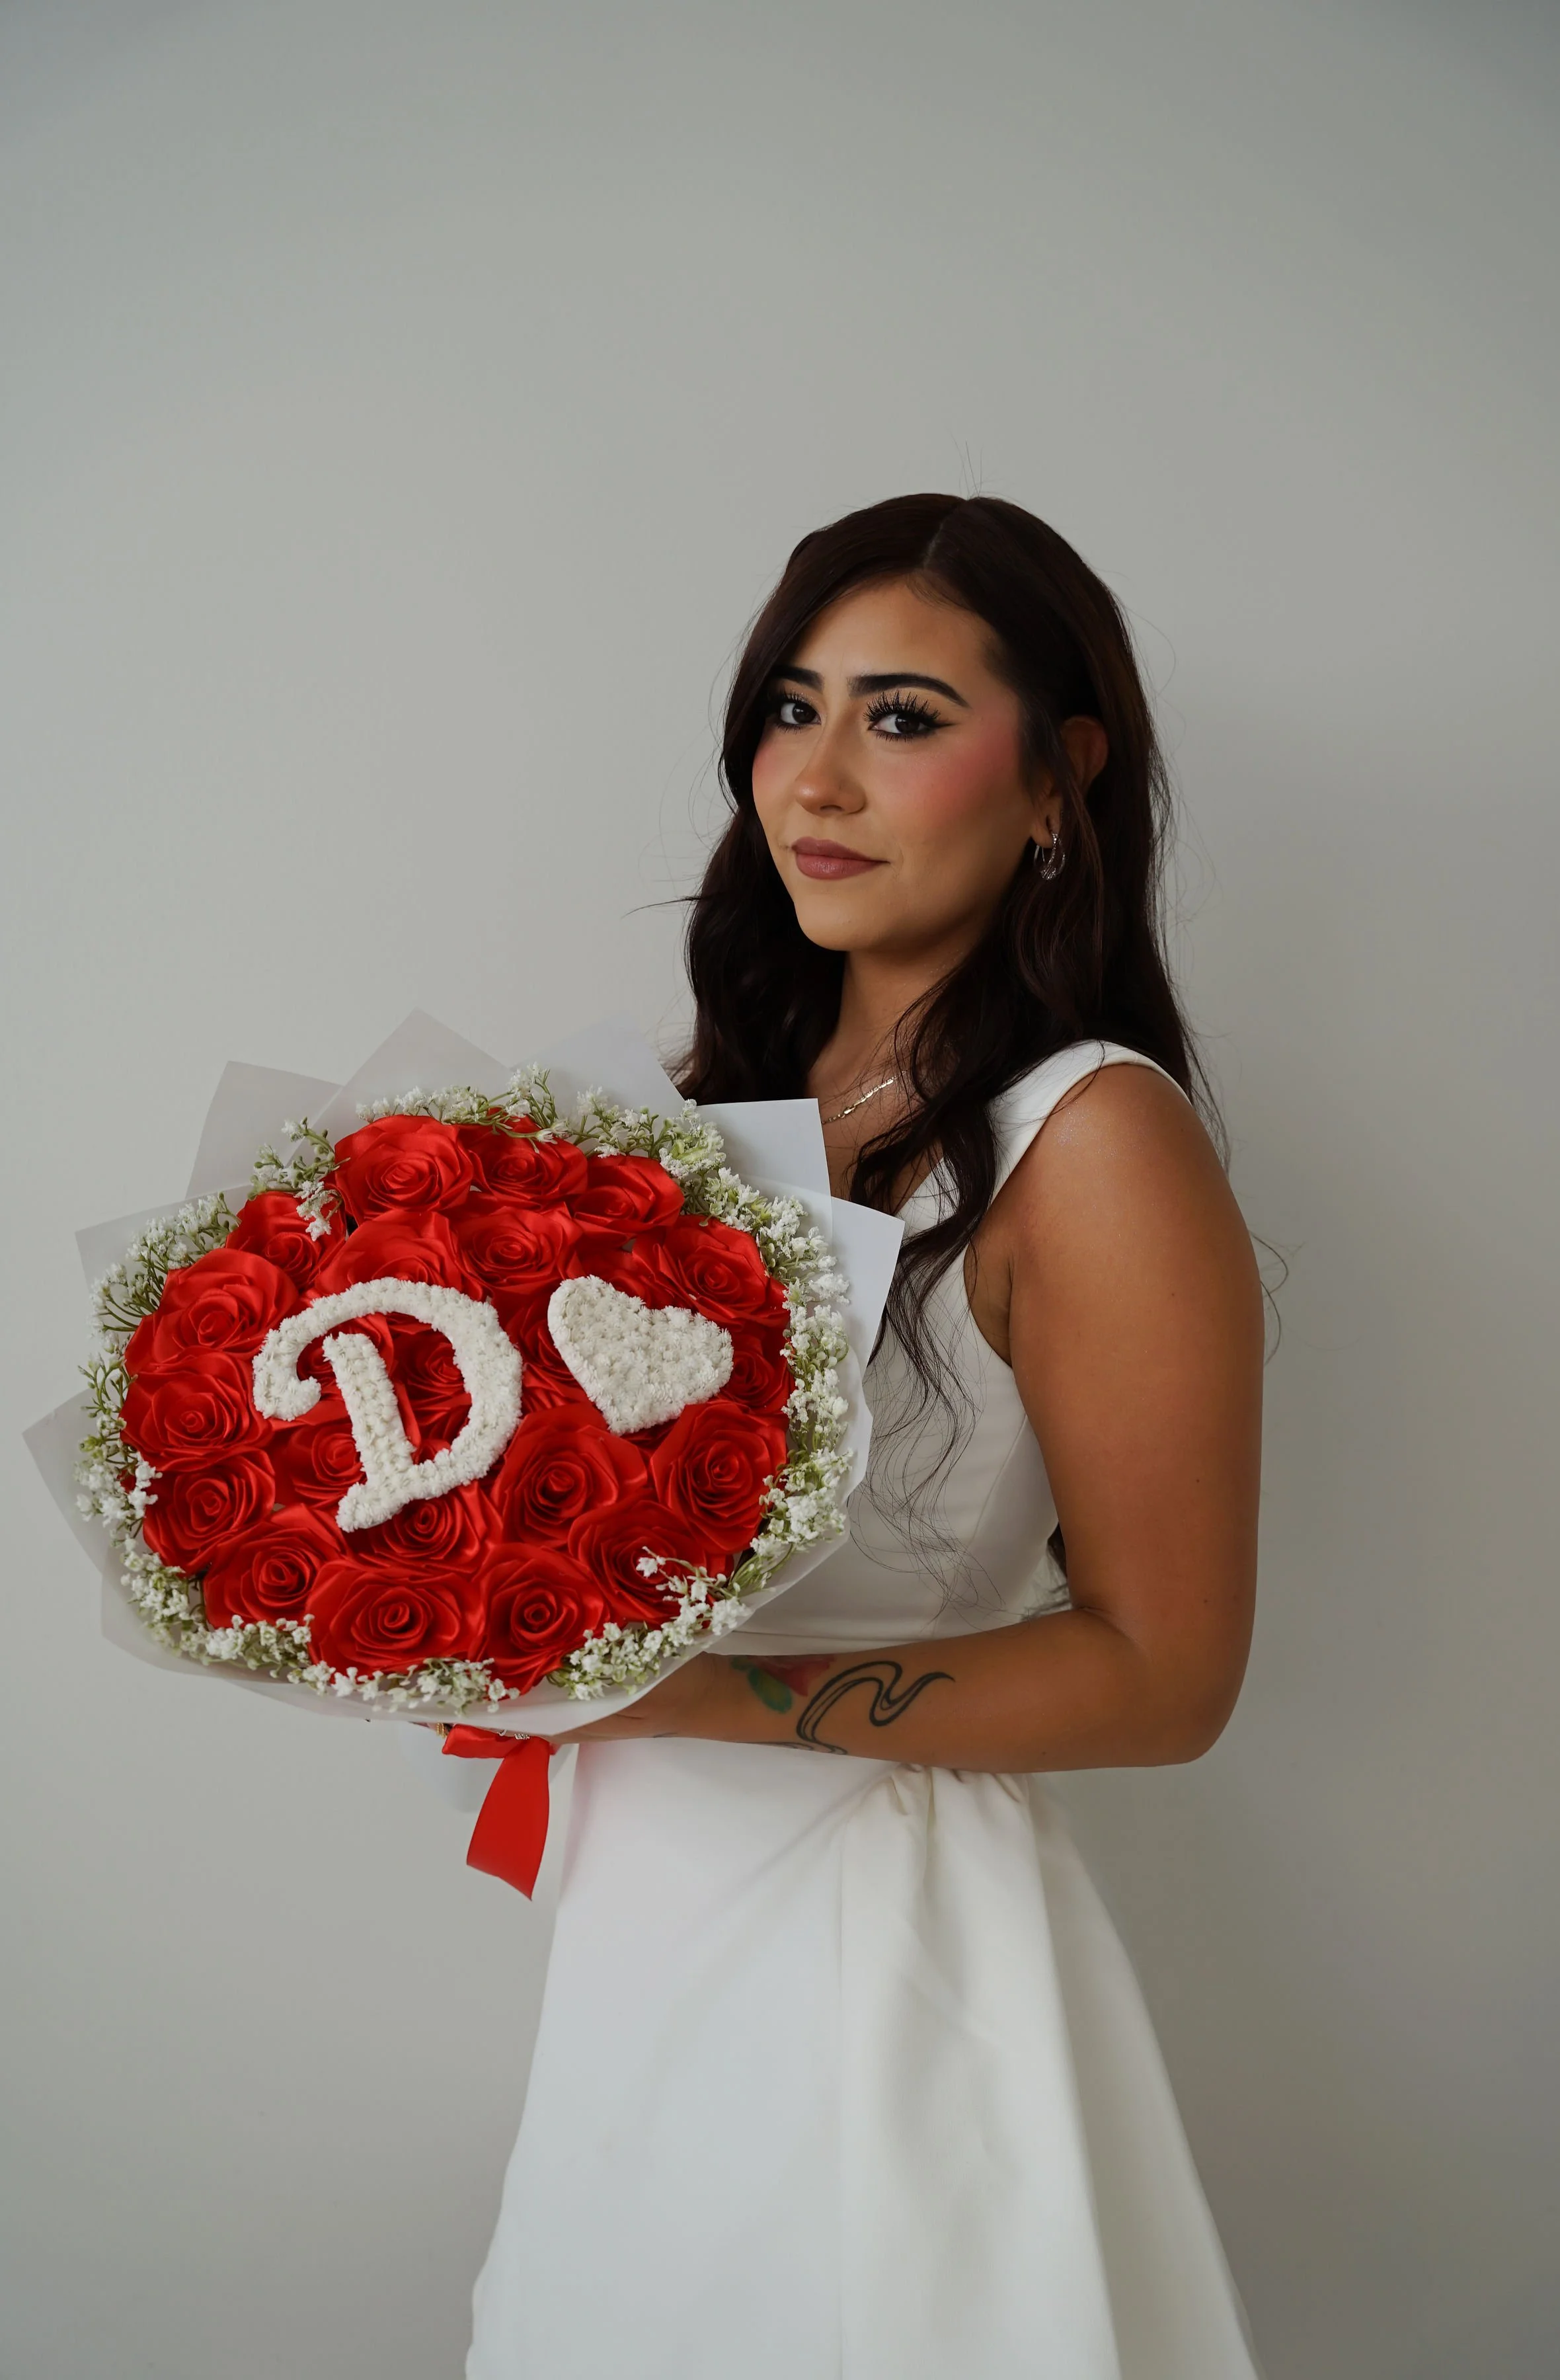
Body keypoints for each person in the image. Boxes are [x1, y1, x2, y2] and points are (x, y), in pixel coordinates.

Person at [466, 493, 1267, 2379]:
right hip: (643, 1917)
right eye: (789, 710)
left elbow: (1168, 1676)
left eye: (902, 718)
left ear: (1061, 777)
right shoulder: (707, 1118)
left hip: (874, 1950)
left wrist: (679, 1698)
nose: (816, 778)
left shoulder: (1096, 1139)